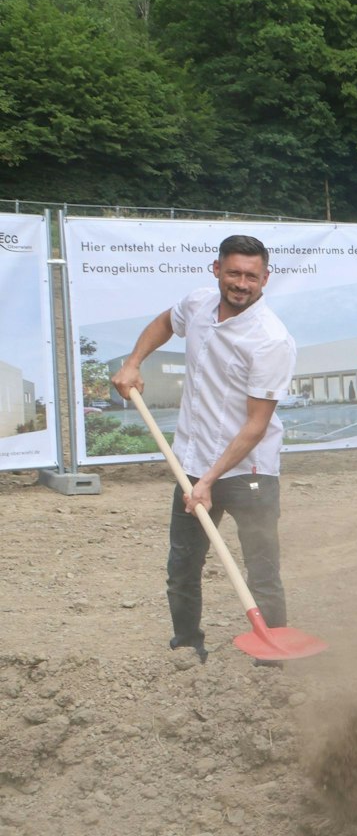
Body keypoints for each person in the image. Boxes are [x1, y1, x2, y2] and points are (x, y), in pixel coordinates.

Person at [111, 234, 298, 664]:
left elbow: (256, 425)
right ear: (216, 270)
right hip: (192, 464)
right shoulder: (197, 304)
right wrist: (134, 360)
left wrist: (209, 481)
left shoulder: (270, 339)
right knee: (182, 565)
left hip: (249, 471)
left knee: (262, 570)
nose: (242, 283)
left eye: (252, 276)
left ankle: (272, 657)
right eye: (233, 272)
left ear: (265, 279)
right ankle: (187, 647)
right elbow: (163, 323)